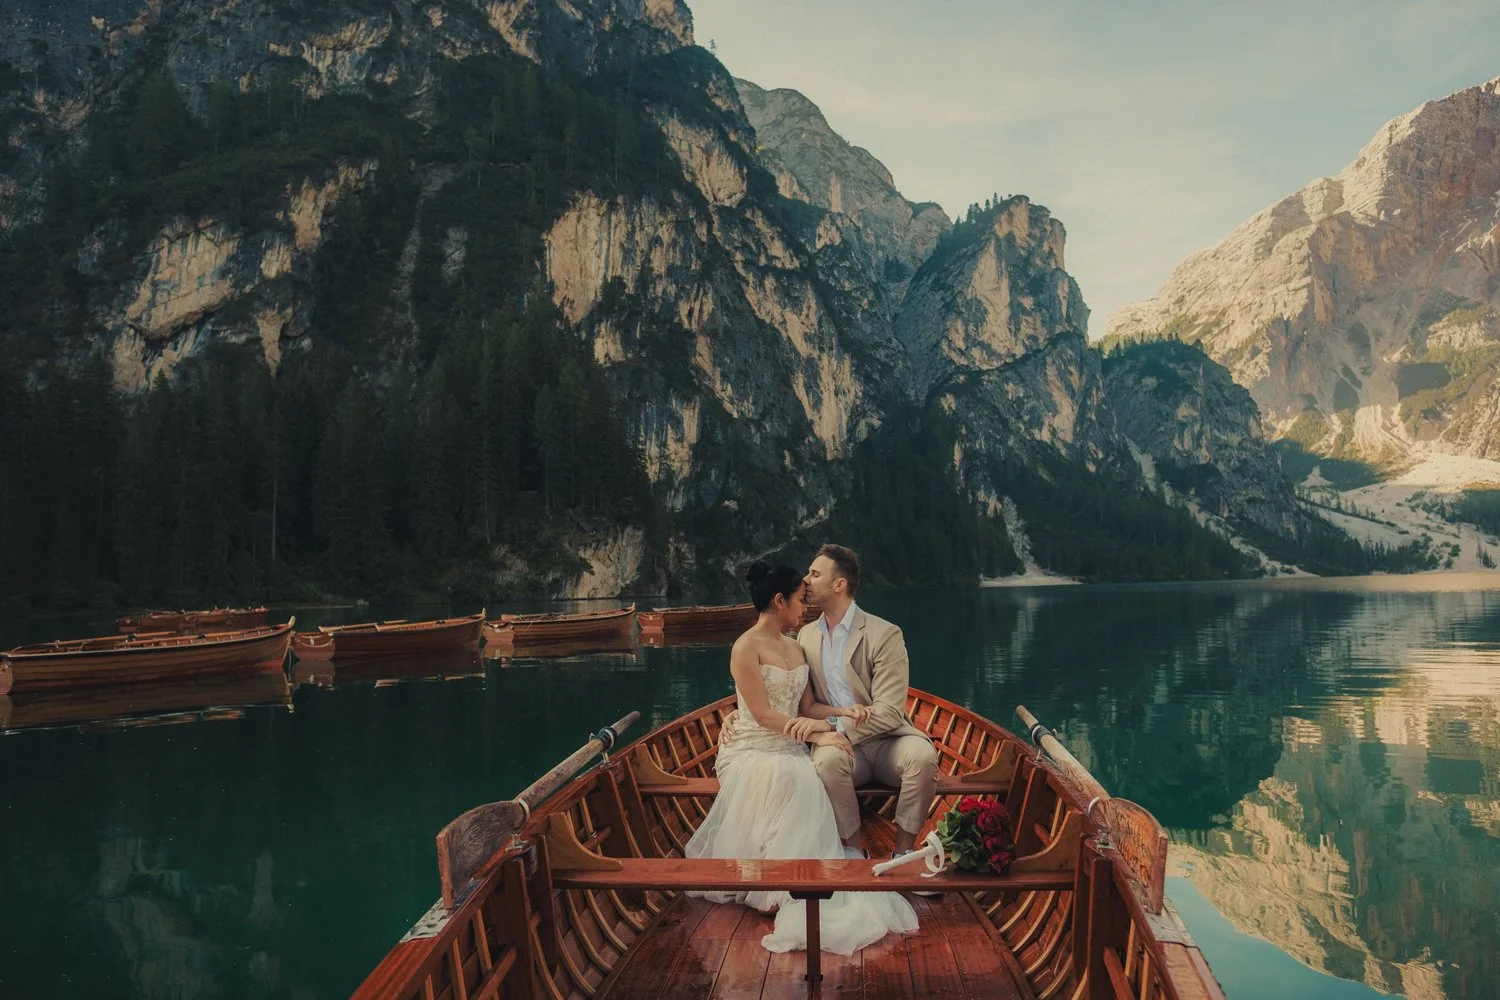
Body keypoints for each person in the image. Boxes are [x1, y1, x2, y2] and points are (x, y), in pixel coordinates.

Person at [683, 561, 918, 955]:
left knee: (804, 774)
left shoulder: (796, 647)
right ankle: (772, 883)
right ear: (779, 601)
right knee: (784, 775)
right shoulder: (745, 647)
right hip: (753, 744)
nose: (804, 609)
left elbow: (806, 707)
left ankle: (797, 877)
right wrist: (821, 733)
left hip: (790, 743)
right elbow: (762, 715)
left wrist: (841, 714)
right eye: (798, 602)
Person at [789, 544, 939, 858]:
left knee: (923, 757)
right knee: (827, 762)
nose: (805, 580)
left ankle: (903, 852)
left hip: (889, 743)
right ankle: (854, 852)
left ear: (839, 584)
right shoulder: (805, 636)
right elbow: (804, 701)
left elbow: (890, 712)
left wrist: (833, 725)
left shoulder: (885, 634)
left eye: (814, 574)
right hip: (843, 748)